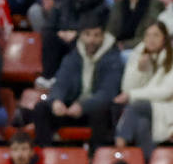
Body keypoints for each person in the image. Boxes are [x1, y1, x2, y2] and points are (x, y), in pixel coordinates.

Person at [32, 19, 122, 150]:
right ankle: (45, 153)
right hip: (72, 108)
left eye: (96, 35)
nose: (91, 40)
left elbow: (107, 93)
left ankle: (95, 158)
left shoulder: (113, 59)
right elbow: (61, 82)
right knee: (42, 108)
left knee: (102, 112)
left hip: (94, 109)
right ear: (81, 36)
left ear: (103, 36)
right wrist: (57, 101)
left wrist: (83, 106)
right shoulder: (73, 56)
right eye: (87, 34)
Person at [114, 21, 173, 161]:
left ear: (164, 39)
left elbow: (166, 91)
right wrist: (140, 70)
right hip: (146, 111)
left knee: (136, 106)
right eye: (148, 35)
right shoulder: (138, 54)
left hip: (169, 107)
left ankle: (119, 147)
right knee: (142, 124)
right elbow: (127, 88)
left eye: (156, 35)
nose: (151, 39)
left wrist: (132, 95)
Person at [41, 0, 110, 79]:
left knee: (82, 41)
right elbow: (50, 26)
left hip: (84, 42)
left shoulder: (101, 4)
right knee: (49, 37)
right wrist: (60, 33)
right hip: (62, 39)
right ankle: (49, 78)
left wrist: (77, 34)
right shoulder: (62, 1)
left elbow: (97, 29)